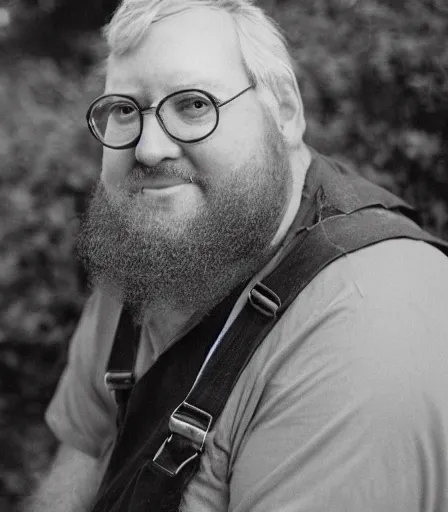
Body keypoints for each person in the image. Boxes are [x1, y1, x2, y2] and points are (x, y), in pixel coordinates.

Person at [26, 1, 448, 511]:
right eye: (124, 109)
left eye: (194, 104)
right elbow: (81, 462)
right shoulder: (147, 250)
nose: (149, 149)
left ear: (285, 110)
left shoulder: (366, 327)